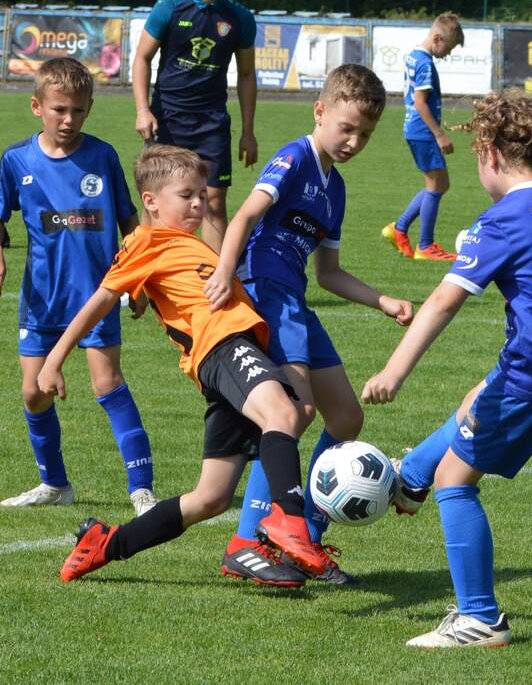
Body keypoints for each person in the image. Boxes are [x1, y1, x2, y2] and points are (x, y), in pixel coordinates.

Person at [362, 91, 532, 648]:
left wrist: (392, 372)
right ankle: (410, 479)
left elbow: (442, 302)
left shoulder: (501, 221)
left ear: (489, 154)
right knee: (476, 401)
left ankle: (479, 619)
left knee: (456, 482)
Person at [41, 144, 330, 585]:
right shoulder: (145, 241)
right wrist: (54, 359)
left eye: (201, 194)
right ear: (152, 201)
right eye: (186, 195)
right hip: (221, 347)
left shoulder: (189, 243)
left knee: (211, 497)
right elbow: (100, 300)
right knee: (285, 414)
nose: (198, 203)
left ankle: (105, 543)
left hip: (228, 358)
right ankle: (290, 521)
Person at [204, 64, 414, 586]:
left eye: (365, 134)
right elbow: (244, 216)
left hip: (295, 298)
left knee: (345, 417)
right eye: (346, 128)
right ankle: (254, 541)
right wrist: (226, 271)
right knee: (293, 413)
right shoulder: (294, 157)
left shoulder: (335, 190)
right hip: (265, 290)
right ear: (320, 111)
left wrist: (382, 300)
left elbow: (329, 273)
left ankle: (306, 535)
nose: (353, 142)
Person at [0, 57, 159, 516]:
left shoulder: (102, 156)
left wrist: (139, 278)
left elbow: (130, 223)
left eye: (78, 110)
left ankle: (142, 490)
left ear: (89, 108)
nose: (68, 119)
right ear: (36, 106)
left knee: (107, 383)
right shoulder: (17, 160)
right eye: (59, 109)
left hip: (97, 296)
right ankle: (55, 484)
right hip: (42, 299)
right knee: (33, 392)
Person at [132, 0, 258, 251]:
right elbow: (142, 59)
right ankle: (146, 272)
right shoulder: (169, 7)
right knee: (157, 199)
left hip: (212, 123)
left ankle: (212, 275)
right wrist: (143, 110)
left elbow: (247, 74)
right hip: (167, 118)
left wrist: (248, 131)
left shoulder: (240, 17)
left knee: (212, 202)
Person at [381, 12, 465, 262]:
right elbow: (420, 102)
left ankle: (398, 229)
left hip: (415, 129)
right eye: (448, 48)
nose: (447, 54)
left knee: (440, 184)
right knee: (436, 185)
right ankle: (425, 245)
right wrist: (439, 134)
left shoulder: (413, 56)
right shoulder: (425, 64)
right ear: (437, 38)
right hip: (423, 131)